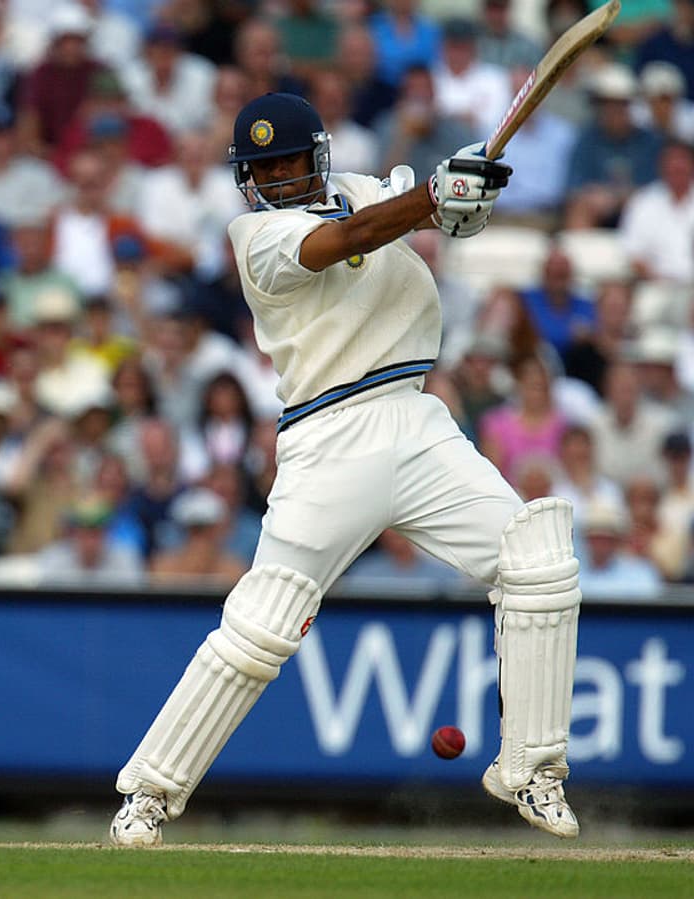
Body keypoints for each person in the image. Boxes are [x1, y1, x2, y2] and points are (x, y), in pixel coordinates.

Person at [109, 93, 583, 846]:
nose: (277, 178)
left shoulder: (367, 187)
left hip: (417, 416)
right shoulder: (256, 235)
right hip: (328, 436)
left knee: (540, 556)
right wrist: (431, 200)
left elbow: (416, 215)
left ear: (319, 155)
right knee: (260, 627)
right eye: (261, 169)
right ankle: (149, 794)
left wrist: (459, 202)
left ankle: (531, 766)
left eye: (289, 161)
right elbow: (352, 236)